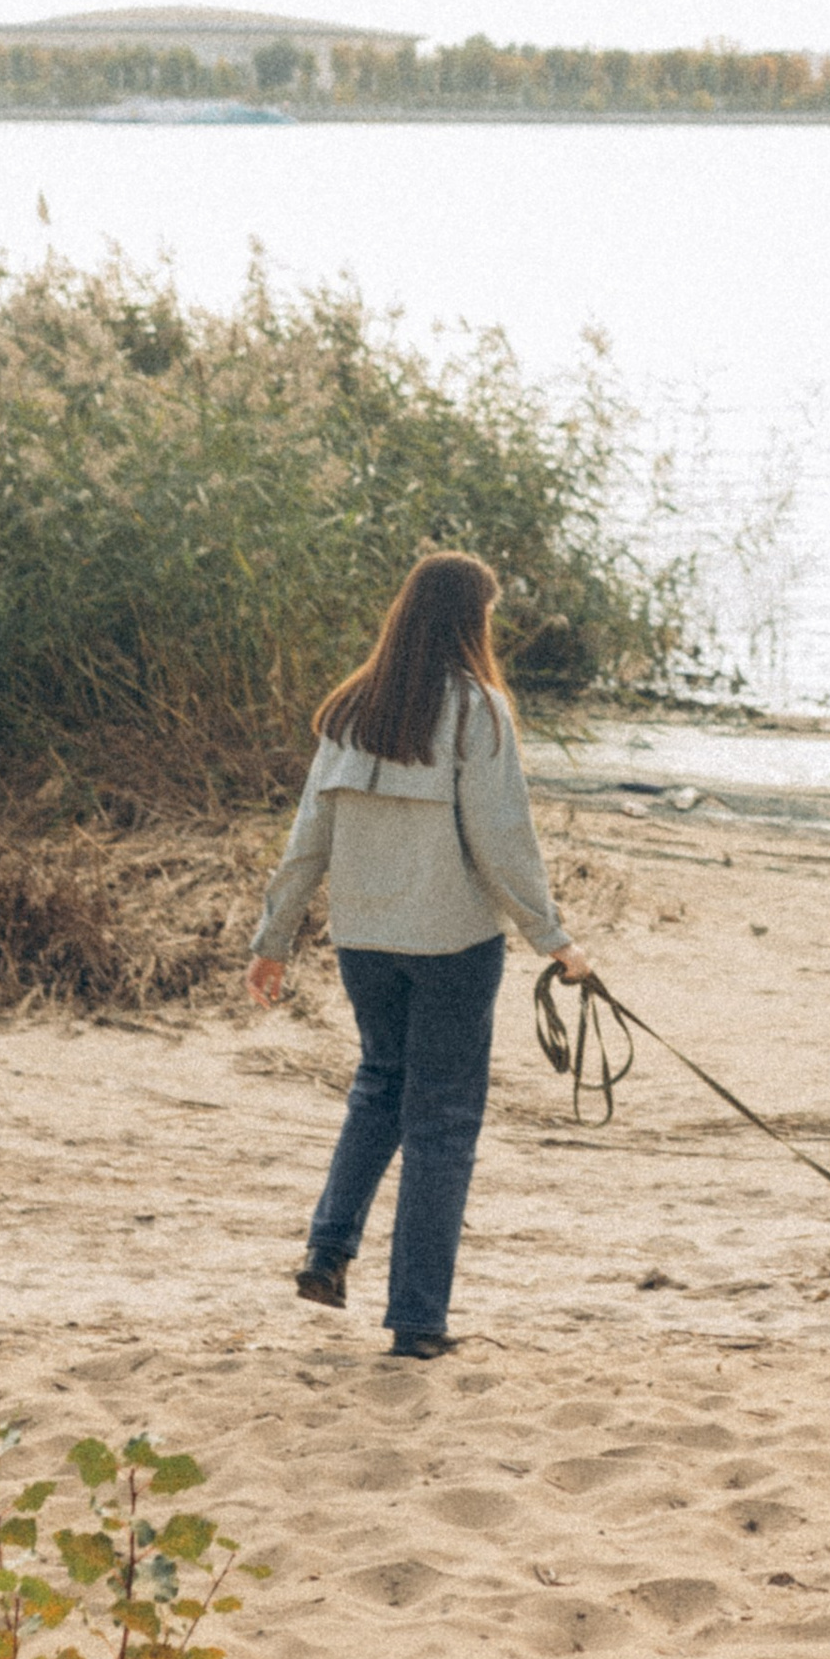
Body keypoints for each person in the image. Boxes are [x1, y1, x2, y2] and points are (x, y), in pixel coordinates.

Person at [247, 549, 588, 1359]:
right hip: (452, 944)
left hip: (364, 941)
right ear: (474, 619)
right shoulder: (479, 710)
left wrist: (273, 942)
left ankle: (327, 1253)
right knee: (442, 1122)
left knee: (379, 1086)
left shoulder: (349, 709)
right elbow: (502, 841)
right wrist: (556, 940)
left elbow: (308, 843)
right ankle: (418, 1321)